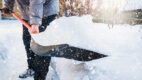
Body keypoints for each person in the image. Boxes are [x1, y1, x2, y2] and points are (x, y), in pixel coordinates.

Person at [1, 0, 59, 80]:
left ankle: (40, 77)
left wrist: (35, 23)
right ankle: (32, 69)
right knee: (28, 41)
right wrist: (8, 6)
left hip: (46, 12)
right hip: (28, 13)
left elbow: (36, 1)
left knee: (41, 45)